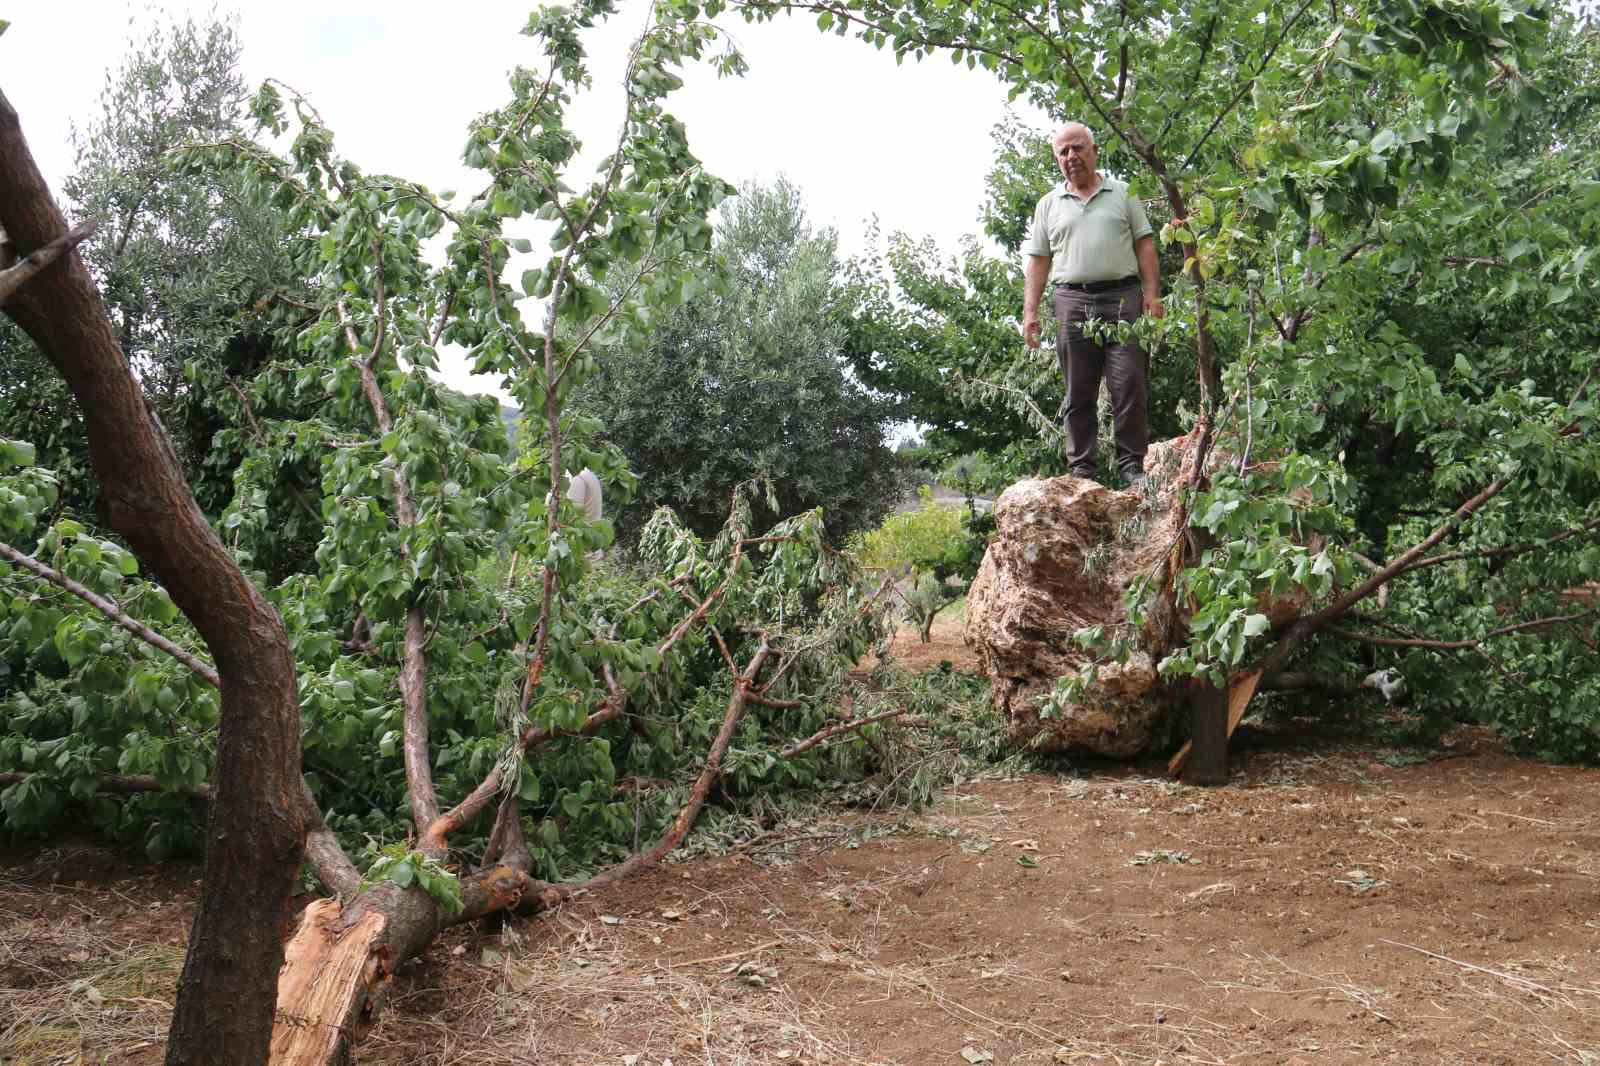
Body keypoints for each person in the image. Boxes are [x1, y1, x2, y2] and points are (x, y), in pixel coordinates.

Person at [1022, 122, 1164, 489]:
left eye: (1078, 148)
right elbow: (1038, 260)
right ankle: (1082, 470)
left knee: (1129, 383)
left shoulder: (1123, 194)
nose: (1071, 157)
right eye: (1063, 152)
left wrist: (1152, 295)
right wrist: (1031, 312)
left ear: (1094, 150)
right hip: (1072, 301)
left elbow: (1145, 244)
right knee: (1078, 390)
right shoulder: (1049, 205)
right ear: (1057, 160)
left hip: (1124, 300)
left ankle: (1131, 467)